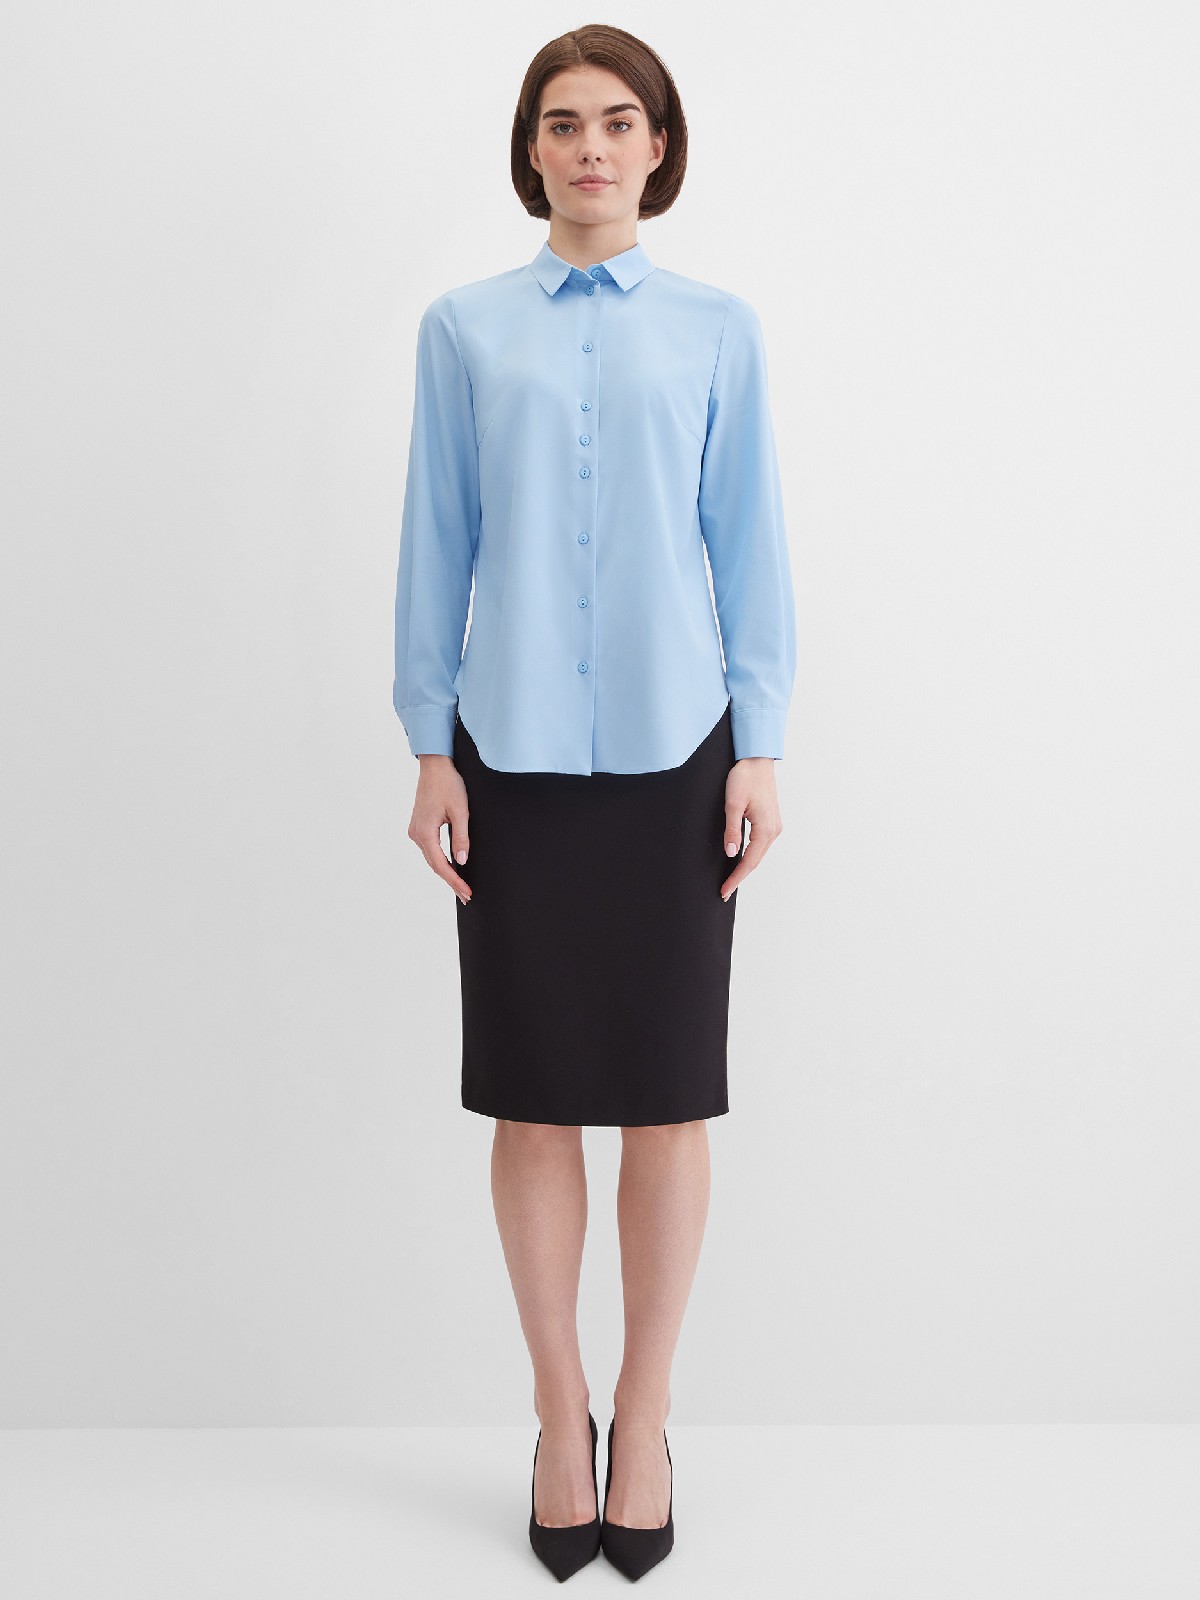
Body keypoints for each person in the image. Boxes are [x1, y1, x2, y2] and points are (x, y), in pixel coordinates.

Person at [392, 24, 796, 1583]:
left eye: (619, 122)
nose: (590, 148)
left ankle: (649, 1411)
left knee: (670, 1095)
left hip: (680, 752)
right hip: (508, 754)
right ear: (531, 149)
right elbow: (438, 538)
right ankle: (561, 1411)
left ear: (659, 146)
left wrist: (761, 744)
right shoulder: (463, 330)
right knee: (534, 1092)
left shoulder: (716, 331)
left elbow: (747, 540)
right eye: (562, 124)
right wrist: (429, 742)